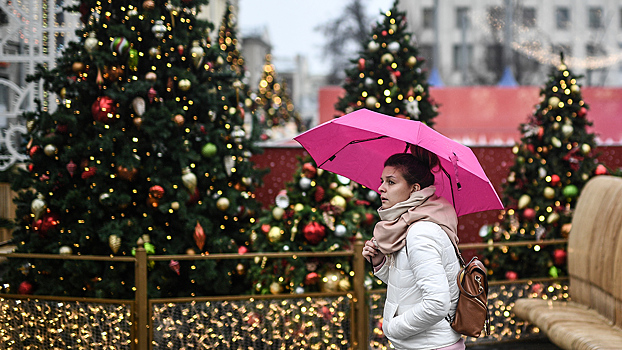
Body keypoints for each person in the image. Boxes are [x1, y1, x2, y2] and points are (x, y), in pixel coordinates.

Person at [362, 146, 465, 350]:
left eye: (391, 182)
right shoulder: (412, 223)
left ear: (415, 189)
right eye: (382, 181)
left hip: (429, 346)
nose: (381, 188)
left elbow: (437, 304)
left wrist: (392, 328)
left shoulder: (421, 232)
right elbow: (410, 285)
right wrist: (380, 262)